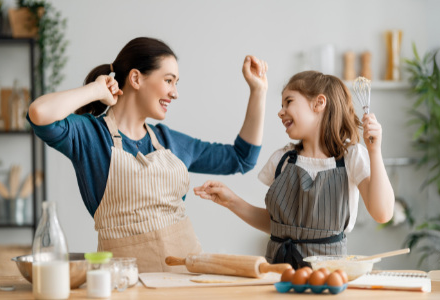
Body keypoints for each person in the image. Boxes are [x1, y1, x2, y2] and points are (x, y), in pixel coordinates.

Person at [27, 37, 269, 272]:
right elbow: (39, 113)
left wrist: (258, 91)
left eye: (176, 83)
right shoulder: (90, 136)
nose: (175, 93)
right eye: (169, 80)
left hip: (186, 279)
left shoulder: (169, 141)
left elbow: (241, 158)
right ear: (135, 78)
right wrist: (95, 90)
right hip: (125, 283)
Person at [194, 70, 394, 269]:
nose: (281, 112)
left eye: (288, 102)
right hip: (279, 272)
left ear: (319, 103)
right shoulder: (282, 160)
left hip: (328, 276)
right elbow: (276, 225)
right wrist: (231, 201)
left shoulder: (351, 157)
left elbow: (382, 213)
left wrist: (374, 151)